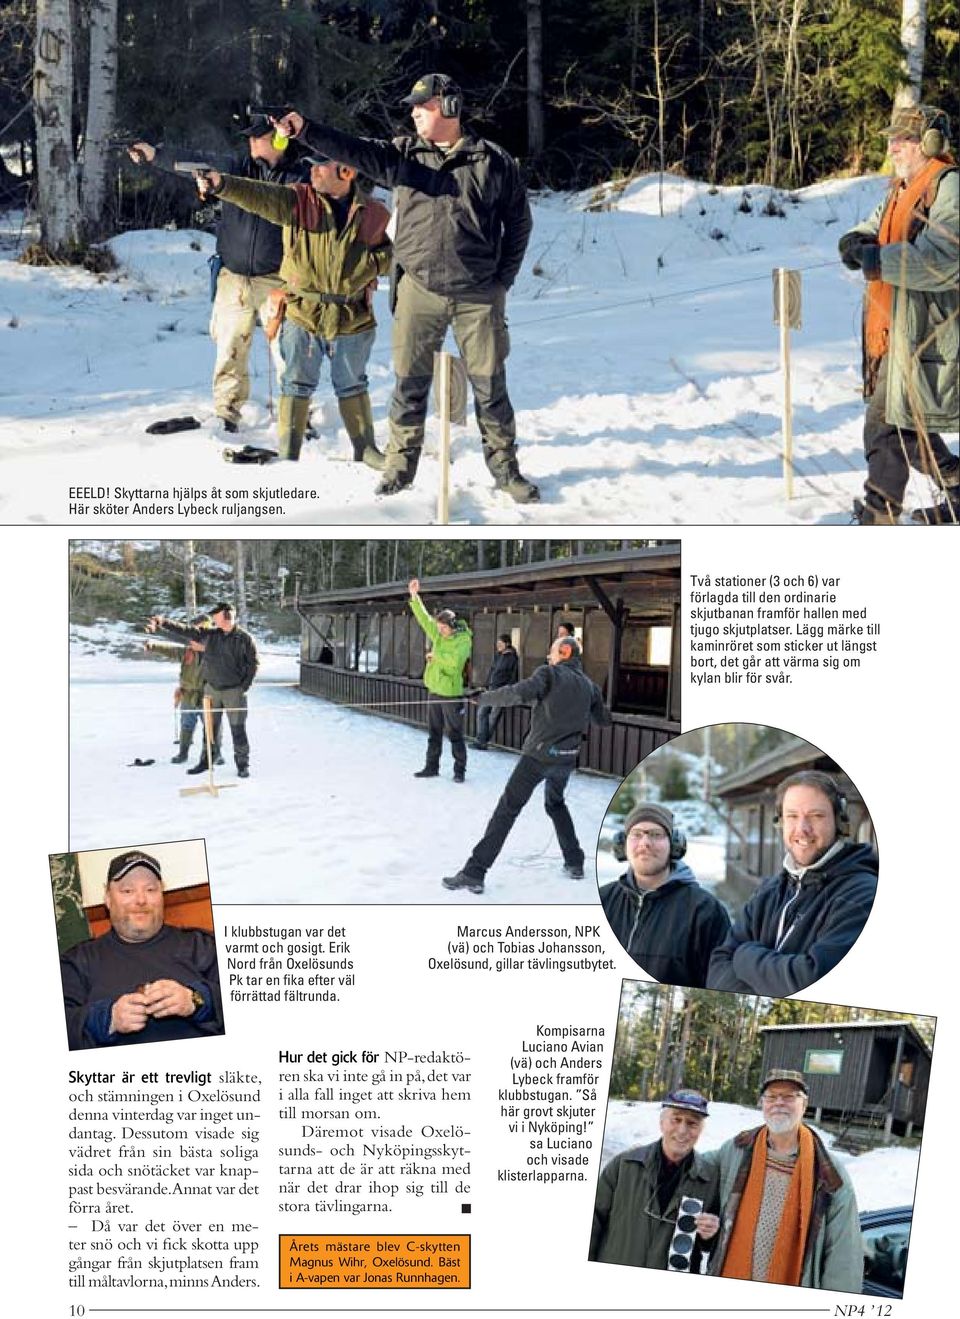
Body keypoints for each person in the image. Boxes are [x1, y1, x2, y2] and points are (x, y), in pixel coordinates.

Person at [274, 75, 540, 502]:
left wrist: (501, 281)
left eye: (425, 104)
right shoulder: (403, 155)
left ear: (451, 107)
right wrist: (304, 130)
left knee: (490, 386)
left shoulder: (493, 161)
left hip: (477, 295)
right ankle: (400, 468)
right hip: (418, 289)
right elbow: (352, 148)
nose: (415, 111)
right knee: (408, 385)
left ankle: (506, 470)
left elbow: (519, 225)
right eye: (413, 106)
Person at [194, 153, 392, 464]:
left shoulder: (375, 213)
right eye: (310, 164)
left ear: (347, 171)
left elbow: (396, 254)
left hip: (352, 315)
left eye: (320, 166)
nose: (312, 171)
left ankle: (365, 449)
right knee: (295, 384)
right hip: (303, 312)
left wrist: (371, 264)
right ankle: (289, 453)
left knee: (353, 382)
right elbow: (257, 195)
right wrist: (222, 185)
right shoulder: (298, 201)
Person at [128, 114, 309, 434]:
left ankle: (297, 417)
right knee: (229, 350)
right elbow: (195, 160)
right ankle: (227, 413)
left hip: (279, 279)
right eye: (250, 137)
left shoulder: (301, 177)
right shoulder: (235, 167)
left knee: (288, 352)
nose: (253, 142)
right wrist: (155, 154)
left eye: (261, 137)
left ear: (281, 139)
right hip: (234, 276)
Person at [838, 104, 959, 524]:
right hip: (892, 328)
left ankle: (879, 515)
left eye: (904, 140)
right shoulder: (902, 187)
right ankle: (957, 485)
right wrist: (857, 238)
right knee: (906, 428)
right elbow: (877, 225)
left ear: (930, 144)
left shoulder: (949, 187)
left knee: (884, 425)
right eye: (891, 139)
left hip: (925, 329)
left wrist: (875, 260)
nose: (893, 147)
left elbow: (944, 257)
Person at [442, 635, 611, 895]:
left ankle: (474, 872)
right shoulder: (589, 686)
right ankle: (575, 861)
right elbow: (603, 720)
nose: (548, 657)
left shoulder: (550, 674)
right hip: (566, 757)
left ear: (565, 652)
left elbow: (517, 693)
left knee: (507, 810)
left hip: (538, 757)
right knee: (555, 804)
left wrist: (483, 698)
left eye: (552, 652)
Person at [706, 771, 877, 996]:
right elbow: (717, 970)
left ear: (839, 821)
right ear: (781, 822)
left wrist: (744, 955)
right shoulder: (768, 892)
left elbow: (809, 981)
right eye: (792, 816)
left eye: (816, 815)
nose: (802, 828)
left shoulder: (862, 895)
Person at [709, 1070, 862, 1292]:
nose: (779, 1103)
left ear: (804, 1105)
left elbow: (844, 1253)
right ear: (762, 1103)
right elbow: (695, 1168)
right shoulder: (737, 1150)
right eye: (772, 1096)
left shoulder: (828, 1172)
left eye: (790, 1097)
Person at [60, 849, 224, 1050]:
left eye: (150, 889)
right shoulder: (76, 962)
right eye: (127, 891)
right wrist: (107, 1019)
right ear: (108, 898)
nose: (140, 900)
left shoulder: (203, 945)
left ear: (162, 895)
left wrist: (196, 1000)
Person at [600, 804, 731, 987]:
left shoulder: (705, 912)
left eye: (655, 834)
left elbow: (721, 984)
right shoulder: (602, 900)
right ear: (622, 844)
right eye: (636, 834)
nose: (645, 843)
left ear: (675, 845)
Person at [589, 1089, 720, 1271]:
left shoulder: (710, 1179)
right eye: (676, 1119)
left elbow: (710, 1244)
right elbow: (592, 1223)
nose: (682, 1131)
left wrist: (711, 1234)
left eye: (692, 1123)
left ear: (700, 1130)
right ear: (661, 1123)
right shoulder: (624, 1165)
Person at [147, 602, 259, 778]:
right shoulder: (212, 635)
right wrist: (163, 622)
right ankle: (206, 761)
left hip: (234, 692)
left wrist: (244, 687)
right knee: (210, 729)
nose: (213, 618)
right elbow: (187, 631)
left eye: (216, 615)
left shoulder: (244, 638)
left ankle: (242, 765)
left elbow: (253, 664)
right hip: (212, 690)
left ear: (226, 616)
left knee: (238, 730)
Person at [408, 578, 473, 783]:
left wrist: (435, 657)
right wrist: (414, 596)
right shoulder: (438, 633)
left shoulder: (464, 639)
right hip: (434, 690)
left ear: (452, 626)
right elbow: (424, 618)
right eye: (439, 628)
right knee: (433, 732)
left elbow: (455, 662)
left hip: (451, 693)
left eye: (443, 628)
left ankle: (459, 770)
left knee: (455, 733)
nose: (440, 632)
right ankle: (431, 766)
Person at [473, 633, 518, 749]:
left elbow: (513, 676)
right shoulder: (498, 655)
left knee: (493, 716)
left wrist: (508, 689)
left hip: (502, 690)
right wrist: (486, 685)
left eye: (500, 643)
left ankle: (483, 741)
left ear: (507, 644)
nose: (498, 645)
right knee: (482, 712)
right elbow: (492, 671)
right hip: (491, 688)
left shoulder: (512, 657)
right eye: (497, 643)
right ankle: (481, 739)